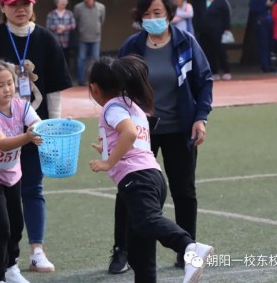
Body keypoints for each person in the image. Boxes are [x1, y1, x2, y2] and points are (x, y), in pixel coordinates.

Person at [0, 0, 72, 274]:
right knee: (4, 193)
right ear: (2, 8)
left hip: (34, 128)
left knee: (34, 187)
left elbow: (53, 89)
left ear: (33, 7)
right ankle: (5, 256)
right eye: (14, 5)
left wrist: (50, 128)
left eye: (25, 3)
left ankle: (36, 250)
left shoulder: (46, 39)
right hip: (0, 130)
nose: (20, 9)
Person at [88, 55, 213, 283]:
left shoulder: (112, 108)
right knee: (139, 254)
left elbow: (130, 134)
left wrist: (108, 163)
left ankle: (189, 247)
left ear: (94, 88)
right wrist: (105, 150)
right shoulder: (133, 106)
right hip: (153, 177)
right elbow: (133, 143)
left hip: (137, 180)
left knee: (147, 221)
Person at [114, 0, 213, 273]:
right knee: (129, 191)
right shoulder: (132, 46)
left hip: (180, 128)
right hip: (140, 132)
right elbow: (116, 88)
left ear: (170, 14)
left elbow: (204, 81)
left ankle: (188, 253)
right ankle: (122, 251)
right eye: (146, 14)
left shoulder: (186, 43)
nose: (152, 18)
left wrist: (200, 117)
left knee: (184, 191)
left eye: (157, 13)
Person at [0, 59, 43, 283]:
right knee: (0, 228)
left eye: (10, 83)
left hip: (13, 174)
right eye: (0, 85)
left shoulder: (22, 106)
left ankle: (12, 267)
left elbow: (37, 124)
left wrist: (52, 127)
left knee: (16, 226)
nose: (7, 89)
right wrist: (28, 137)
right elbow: (1, 143)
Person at [197, 0, 232, 80]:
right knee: (208, 52)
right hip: (204, 31)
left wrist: (227, 28)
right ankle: (214, 72)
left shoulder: (221, 0)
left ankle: (226, 71)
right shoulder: (203, 2)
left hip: (218, 31)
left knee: (221, 51)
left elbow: (227, 15)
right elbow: (199, 16)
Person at [73, 0, 105, 86]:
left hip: (96, 38)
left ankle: (95, 80)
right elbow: (76, 21)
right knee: (81, 59)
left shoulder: (101, 7)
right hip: (82, 37)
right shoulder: (78, 8)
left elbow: (102, 20)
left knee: (95, 60)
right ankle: (81, 80)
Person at [249, 0, 277, 72]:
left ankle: (270, 65)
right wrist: (265, 5)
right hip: (262, 22)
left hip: (273, 22)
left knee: (271, 44)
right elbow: (253, 10)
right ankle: (265, 66)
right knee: (264, 44)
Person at [46, 0, 76, 74]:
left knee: (66, 60)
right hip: (55, 41)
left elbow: (73, 25)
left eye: (65, 1)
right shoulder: (51, 14)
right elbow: (48, 26)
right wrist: (57, 28)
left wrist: (65, 28)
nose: (64, 3)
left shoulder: (69, 14)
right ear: (57, 3)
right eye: (62, 1)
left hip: (67, 42)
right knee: (56, 59)